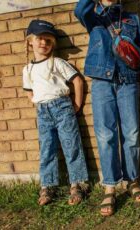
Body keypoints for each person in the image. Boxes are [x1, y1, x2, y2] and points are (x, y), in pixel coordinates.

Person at [75, 0, 140, 216]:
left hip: (128, 82)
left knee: (132, 133)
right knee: (105, 135)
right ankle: (109, 186)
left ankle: (132, 180)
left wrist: (136, 56)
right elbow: (80, 10)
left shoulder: (133, 20)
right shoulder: (93, 16)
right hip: (102, 82)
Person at [23, 19, 89, 206]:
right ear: (30, 41)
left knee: (71, 146)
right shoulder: (27, 69)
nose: (44, 43)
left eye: (48, 40)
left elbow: (77, 81)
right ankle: (47, 186)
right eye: (40, 39)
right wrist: (37, 102)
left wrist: (76, 105)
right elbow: (29, 91)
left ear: (53, 44)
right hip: (43, 112)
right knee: (47, 149)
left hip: (62, 108)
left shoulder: (58, 63)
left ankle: (77, 184)